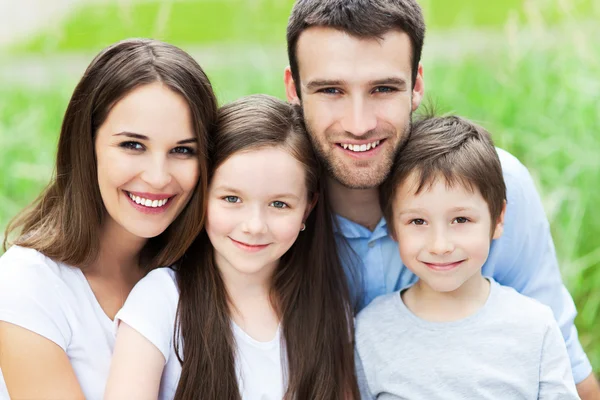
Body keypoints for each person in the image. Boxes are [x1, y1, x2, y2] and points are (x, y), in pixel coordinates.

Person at [283, 0, 599, 397]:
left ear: (416, 85)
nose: (359, 124)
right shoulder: (263, 206)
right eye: (331, 90)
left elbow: (563, 366)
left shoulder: (492, 186)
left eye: (383, 88)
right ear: (294, 89)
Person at [0, 38, 218, 399]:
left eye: (183, 150)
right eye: (133, 145)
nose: (158, 176)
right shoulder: (27, 284)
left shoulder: (204, 268)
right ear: (87, 145)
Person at [104, 94, 358, 399]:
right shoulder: (161, 301)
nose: (254, 225)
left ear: (307, 207)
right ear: (203, 194)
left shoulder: (328, 305)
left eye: (279, 204)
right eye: (232, 199)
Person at [355, 114, 579, 399]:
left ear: (498, 219)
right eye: (418, 222)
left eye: (460, 220)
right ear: (394, 227)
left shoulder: (535, 326)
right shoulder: (370, 330)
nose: (440, 245)